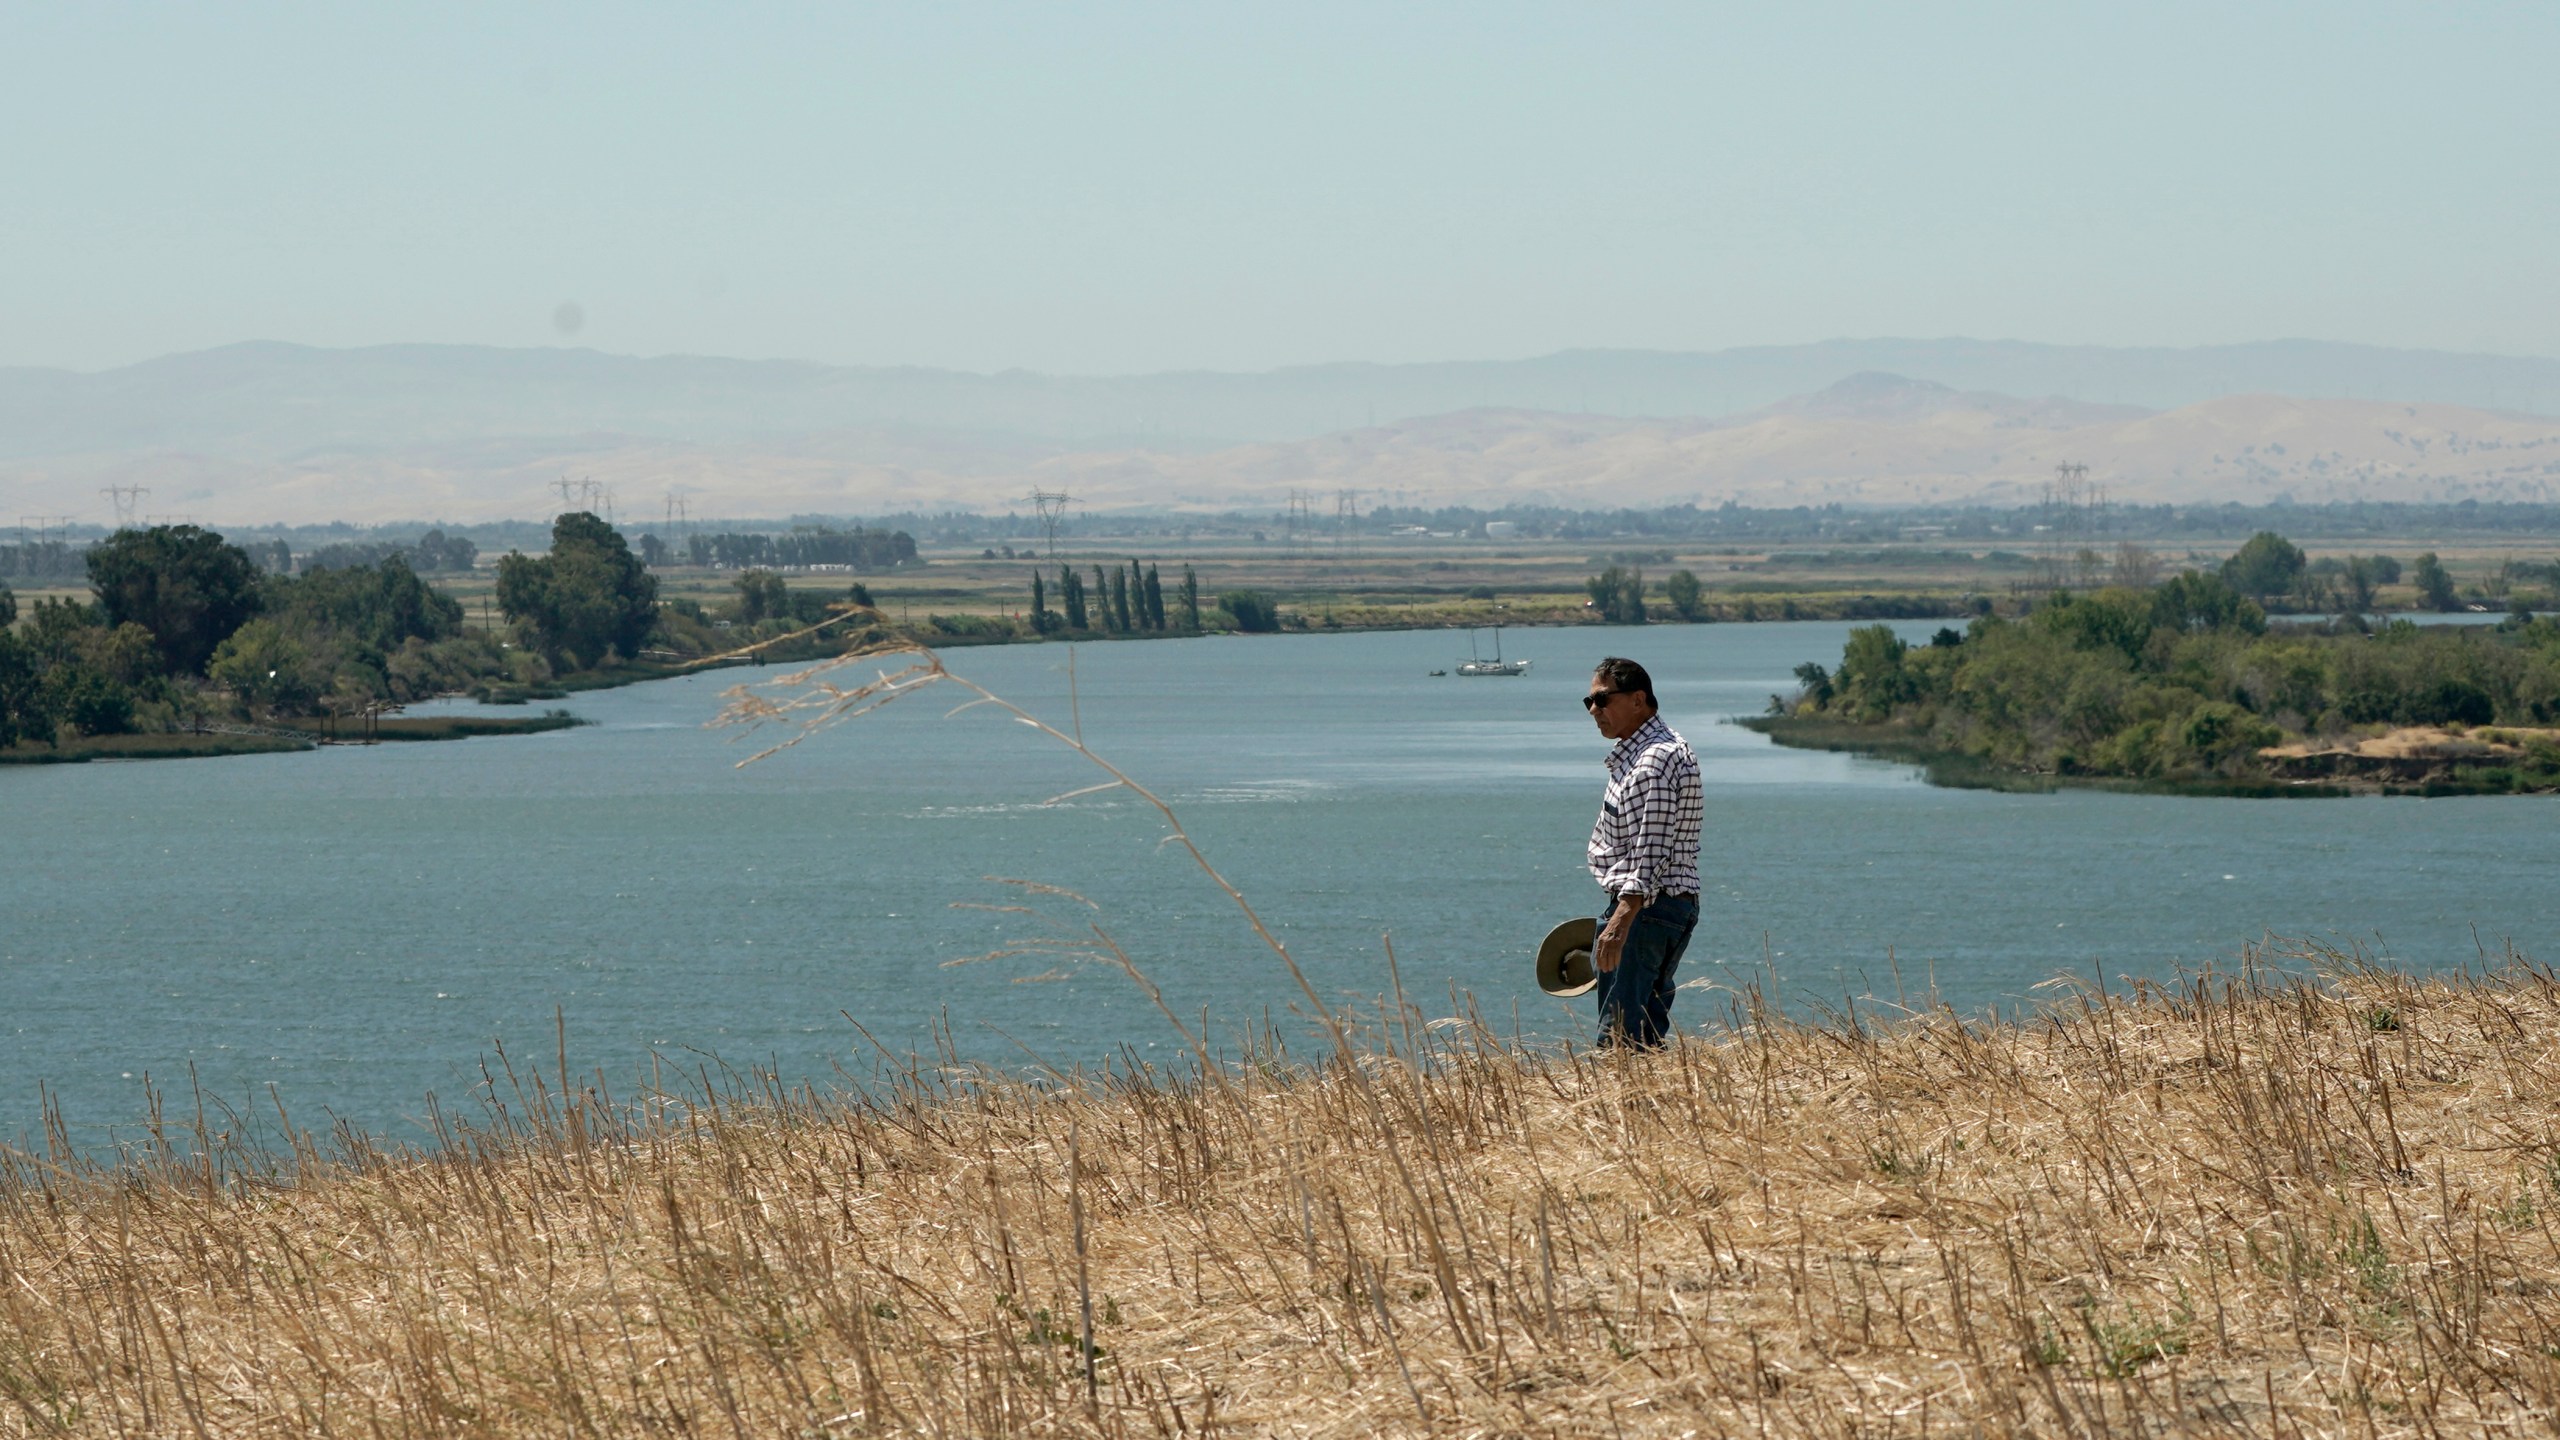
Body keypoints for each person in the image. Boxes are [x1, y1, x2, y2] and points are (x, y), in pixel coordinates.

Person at [1582, 656, 1702, 1048]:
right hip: (1654, 907)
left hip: (1647, 909)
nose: (1594, 710)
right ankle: (1649, 1106)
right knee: (1641, 1035)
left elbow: (1652, 847)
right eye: (1589, 702)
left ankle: (1622, 1106)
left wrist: (1622, 918)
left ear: (1638, 699)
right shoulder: (1646, 753)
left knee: (1619, 1038)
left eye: (1602, 700)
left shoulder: (1655, 758)